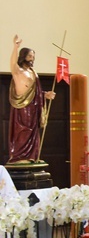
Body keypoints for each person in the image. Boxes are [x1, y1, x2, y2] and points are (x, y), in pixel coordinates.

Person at [8, 35, 55, 163]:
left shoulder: (33, 72)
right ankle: (20, 156)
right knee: (22, 131)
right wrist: (15, 47)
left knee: (33, 132)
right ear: (23, 56)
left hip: (33, 107)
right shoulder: (18, 71)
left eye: (33, 57)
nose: (32, 59)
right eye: (29, 56)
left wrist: (45, 94)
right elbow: (12, 63)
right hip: (22, 106)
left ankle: (31, 156)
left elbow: (36, 92)